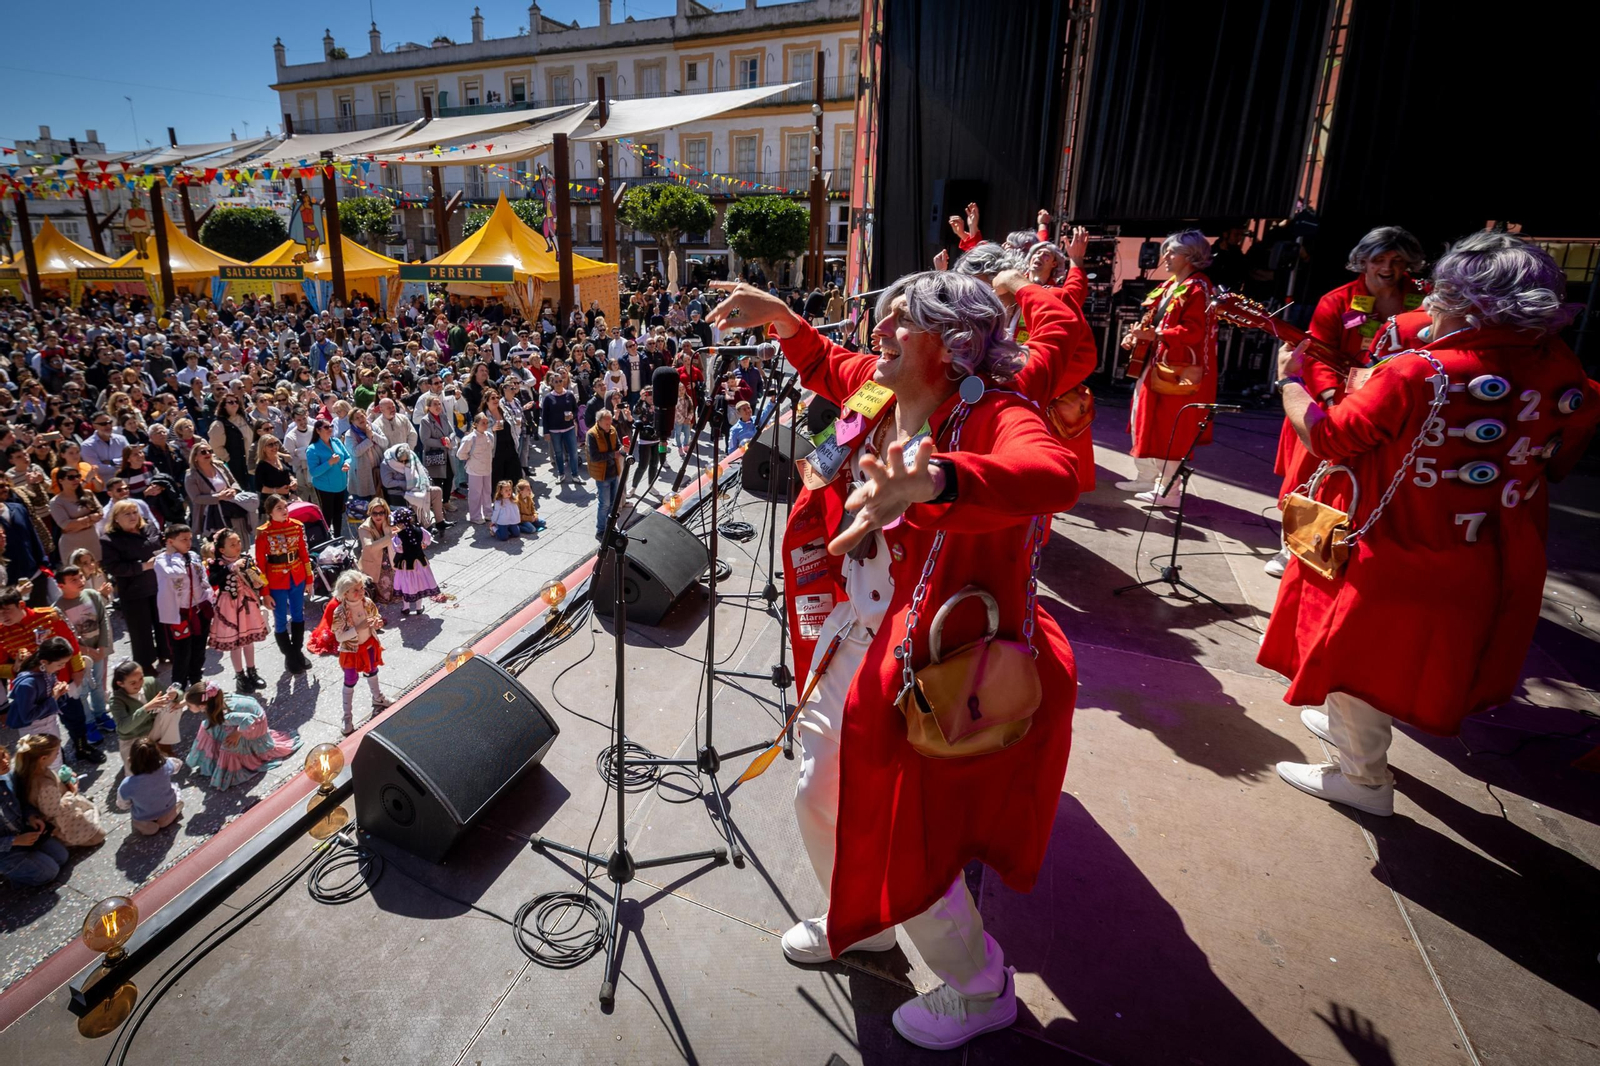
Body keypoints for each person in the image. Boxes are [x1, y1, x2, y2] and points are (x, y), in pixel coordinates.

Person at [706, 272, 1080, 1050]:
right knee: (817, 790)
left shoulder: (994, 414)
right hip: (857, 632)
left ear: (954, 343)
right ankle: (865, 921)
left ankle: (981, 988)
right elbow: (830, 365)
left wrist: (940, 478)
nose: (876, 334)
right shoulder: (877, 392)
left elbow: (1056, 474)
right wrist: (782, 318)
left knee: (911, 831)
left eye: (897, 323)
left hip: (928, 661)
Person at [1265, 232, 1600, 816]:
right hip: (1494, 552)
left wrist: (1291, 383)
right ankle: (1353, 730)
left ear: (1460, 297)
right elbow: (1561, 460)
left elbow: (1330, 436)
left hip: (1395, 544)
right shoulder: (1566, 371)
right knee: (1408, 660)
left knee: (1351, 649)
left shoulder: (1421, 372)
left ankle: (1363, 780)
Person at [1265, 226, 1427, 576]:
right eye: (1379, 260)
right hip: (1336, 401)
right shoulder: (1336, 301)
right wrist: (1328, 398)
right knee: (1308, 477)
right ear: (1363, 262)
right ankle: (1292, 549)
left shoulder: (1424, 298)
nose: (1388, 268)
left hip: (1397, 404)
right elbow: (1316, 356)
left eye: (1398, 261)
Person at [1119, 230, 1218, 505]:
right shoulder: (1171, 285)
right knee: (1144, 417)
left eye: (1172, 251)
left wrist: (1157, 336)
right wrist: (1137, 335)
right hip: (1157, 365)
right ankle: (1146, 476)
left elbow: (1194, 332)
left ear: (1192, 257)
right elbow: (1154, 323)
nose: (1165, 256)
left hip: (1178, 370)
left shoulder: (1198, 288)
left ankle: (1169, 491)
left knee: (1168, 427)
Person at [184, 680, 300, 790]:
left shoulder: (224, 715)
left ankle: (228, 770)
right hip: (249, 714)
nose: (188, 708)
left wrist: (237, 733)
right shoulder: (216, 698)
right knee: (208, 726)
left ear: (202, 706)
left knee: (227, 746)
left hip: (255, 725)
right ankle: (211, 757)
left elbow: (248, 720)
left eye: (189, 706)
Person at [99, 499, 166, 672]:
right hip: (134, 590)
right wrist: (143, 566)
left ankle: (167, 653)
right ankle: (145, 664)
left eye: (135, 512)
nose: (132, 517)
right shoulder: (109, 540)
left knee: (164, 623)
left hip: (158, 584)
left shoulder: (149, 527)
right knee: (140, 630)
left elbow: (162, 543)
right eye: (127, 514)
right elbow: (114, 567)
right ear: (116, 519)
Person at [51, 565, 116, 737]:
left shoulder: (93, 595)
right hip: (78, 658)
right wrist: (85, 650)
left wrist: (102, 647)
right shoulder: (56, 609)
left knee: (98, 686)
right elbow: (63, 638)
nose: (80, 581)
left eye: (81, 577)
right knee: (82, 690)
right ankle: (88, 722)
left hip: (98, 652)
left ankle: (101, 713)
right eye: (74, 580)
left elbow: (103, 621)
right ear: (61, 585)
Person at [4, 637, 85, 770]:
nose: (63, 667)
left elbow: (49, 694)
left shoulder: (47, 671)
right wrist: (54, 697)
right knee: (46, 765)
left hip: (50, 723)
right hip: (35, 732)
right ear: (44, 662)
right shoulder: (27, 685)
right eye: (60, 664)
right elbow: (28, 716)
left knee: (55, 758)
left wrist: (60, 692)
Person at [0, 741, 73, 887]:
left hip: (24, 832)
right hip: (5, 851)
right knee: (49, 873)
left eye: (3, 755)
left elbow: (22, 802)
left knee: (62, 857)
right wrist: (15, 841)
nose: (5, 762)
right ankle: (9, 875)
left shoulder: (7, 776)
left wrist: (31, 817)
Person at [254, 494, 312, 673]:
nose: (284, 510)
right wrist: (265, 592)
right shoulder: (264, 532)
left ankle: (297, 652)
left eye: (285, 507)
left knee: (298, 615)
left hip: (297, 577)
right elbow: (260, 564)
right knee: (280, 620)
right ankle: (290, 656)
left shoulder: (297, 526)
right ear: (270, 512)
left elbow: (304, 554)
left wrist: (309, 579)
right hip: (276, 580)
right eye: (279, 508)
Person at [14, 733, 104, 848]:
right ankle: (63, 840)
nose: (58, 755)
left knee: (94, 815)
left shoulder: (34, 771)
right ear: (43, 758)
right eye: (56, 753)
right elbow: (54, 812)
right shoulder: (44, 784)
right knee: (99, 836)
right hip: (62, 819)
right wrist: (72, 791)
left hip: (59, 803)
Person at [208, 528, 270, 693]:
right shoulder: (217, 564)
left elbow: (258, 578)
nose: (237, 546)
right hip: (229, 605)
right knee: (236, 643)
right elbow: (213, 580)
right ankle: (240, 676)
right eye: (232, 544)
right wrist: (230, 568)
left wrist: (258, 580)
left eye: (238, 543)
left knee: (248, 640)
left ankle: (252, 671)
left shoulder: (246, 558)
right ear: (222, 550)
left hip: (247, 602)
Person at [328, 569, 389, 734]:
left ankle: (378, 698)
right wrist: (358, 628)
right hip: (351, 651)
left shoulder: (367, 602)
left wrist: (377, 623)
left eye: (362, 588)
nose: (361, 592)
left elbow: (376, 616)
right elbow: (339, 637)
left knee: (373, 670)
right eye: (356, 590)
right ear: (345, 593)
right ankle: (347, 716)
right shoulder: (339, 612)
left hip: (369, 644)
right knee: (350, 679)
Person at [152, 523, 213, 689]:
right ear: (170, 542)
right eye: (183, 539)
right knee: (182, 651)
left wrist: (208, 599)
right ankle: (179, 684)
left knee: (199, 647)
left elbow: (202, 579)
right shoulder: (161, 560)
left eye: (190, 539)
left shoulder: (192, 555)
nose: (188, 543)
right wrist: (175, 555)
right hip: (179, 613)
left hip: (199, 608)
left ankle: (196, 679)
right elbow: (176, 574)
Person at [109, 660, 184, 767]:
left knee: (173, 707)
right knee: (136, 774)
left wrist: (175, 695)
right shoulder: (116, 700)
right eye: (133, 683)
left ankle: (164, 745)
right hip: (133, 739)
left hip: (152, 730)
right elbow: (123, 728)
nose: (139, 683)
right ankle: (153, 750)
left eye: (141, 678)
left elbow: (180, 695)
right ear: (120, 684)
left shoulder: (150, 682)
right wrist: (146, 708)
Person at [185, 443, 257, 545]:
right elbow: (196, 498)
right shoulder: (191, 475)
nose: (208, 454)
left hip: (231, 509)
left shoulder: (220, 465)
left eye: (210, 451)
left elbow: (234, 482)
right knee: (220, 542)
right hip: (211, 515)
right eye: (203, 452)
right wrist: (218, 497)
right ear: (195, 457)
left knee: (237, 538)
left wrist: (234, 490)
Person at [116, 737, 184, 835]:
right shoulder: (166, 766)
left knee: (137, 817)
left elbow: (122, 805)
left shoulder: (127, 785)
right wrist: (165, 759)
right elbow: (178, 764)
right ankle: (167, 817)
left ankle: (147, 826)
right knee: (174, 788)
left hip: (143, 815)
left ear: (130, 761)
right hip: (166, 806)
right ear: (158, 755)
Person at [389, 508, 441, 617]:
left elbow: (398, 549)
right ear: (411, 519)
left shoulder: (398, 536)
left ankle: (406, 607)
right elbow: (428, 540)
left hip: (405, 564)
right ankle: (418, 608)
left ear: (398, 522)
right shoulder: (420, 530)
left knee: (406, 584)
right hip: (420, 562)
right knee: (420, 583)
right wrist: (421, 544)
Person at [50, 465, 105, 565]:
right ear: (61, 480)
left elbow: (100, 513)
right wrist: (90, 519)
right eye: (71, 477)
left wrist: (78, 524)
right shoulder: (56, 502)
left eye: (77, 476)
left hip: (92, 539)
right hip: (72, 543)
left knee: (97, 572)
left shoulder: (87, 494)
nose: (75, 480)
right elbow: (65, 524)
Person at [305, 419, 351, 536]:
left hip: (340, 485)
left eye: (331, 426)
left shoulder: (336, 441)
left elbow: (347, 456)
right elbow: (314, 472)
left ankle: (338, 537)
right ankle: (326, 539)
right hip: (325, 487)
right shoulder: (312, 449)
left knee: (338, 514)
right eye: (326, 427)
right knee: (327, 515)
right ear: (318, 431)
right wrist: (329, 462)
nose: (330, 429)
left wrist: (346, 463)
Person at [586, 408, 623, 539]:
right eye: (607, 423)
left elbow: (618, 445)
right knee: (605, 504)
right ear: (599, 422)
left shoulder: (612, 430)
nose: (609, 425)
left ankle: (611, 526)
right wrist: (613, 454)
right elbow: (594, 456)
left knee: (613, 503)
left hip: (614, 471)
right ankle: (600, 530)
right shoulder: (592, 434)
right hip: (602, 475)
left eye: (610, 422)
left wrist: (622, 450)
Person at [540, 372, 582, 486]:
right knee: (558, 453)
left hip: (569, 428)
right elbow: (545, 416)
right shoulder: (548, 398)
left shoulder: (569, 394)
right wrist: (546, 432)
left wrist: (572, 416)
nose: (558, 383)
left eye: (560, 381)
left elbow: (575, 409)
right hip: (555, 431)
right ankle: (561, 474)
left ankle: (575, 475)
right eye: (556, 381)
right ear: (552, 383)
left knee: (573, 452)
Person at [207, 394, 256, 490]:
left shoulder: (246, 417)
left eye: (236, 402)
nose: (234, 404)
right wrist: (229, 458)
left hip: (253, 460)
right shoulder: (219, 424)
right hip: (238, 465)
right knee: (245, 490)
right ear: (224, 405)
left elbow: (258, 427)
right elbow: (215, 446)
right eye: (230, 402)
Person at [355, 497, 398, 605]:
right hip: (376, 564)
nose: (378, 516)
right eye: (375, 513)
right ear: (370, 513)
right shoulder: (364, 528)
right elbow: (368, 547)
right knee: (387, 598)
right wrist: (389, 538)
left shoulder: (391, 521)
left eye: (381, 513)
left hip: (392, 559)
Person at [456, 413, 497, 523]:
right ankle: (475, 516)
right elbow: (460, 454)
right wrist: (469, 458)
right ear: (475, 424)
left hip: (487, 469)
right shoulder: (470, 438)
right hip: (475, 470)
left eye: (486, 423)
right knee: (475, 494)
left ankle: (488, 513)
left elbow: (491, 449)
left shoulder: (489, 435)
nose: (485, 425)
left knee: (487, 492)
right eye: (482, 423)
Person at [254, 434, 298, 499]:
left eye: (276, 443)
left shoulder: (280, 458)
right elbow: (259, 487)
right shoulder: (261, 465)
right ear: (263, 448)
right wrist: (277, 491)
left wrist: (293, 480)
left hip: (288, 496)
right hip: (272, 500)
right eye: (270, 445)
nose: (275, 447)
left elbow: (286, 473)